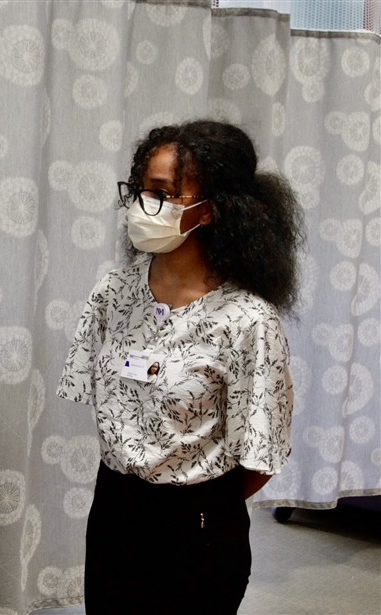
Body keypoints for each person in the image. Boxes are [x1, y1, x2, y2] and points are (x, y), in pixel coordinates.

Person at [56, 120, 303, 615]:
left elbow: (260, 457)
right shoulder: (113, 295)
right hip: (115, 511)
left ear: (210, 210)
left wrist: (194, 498)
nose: (143, 206)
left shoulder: (247, 320)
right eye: (142, 190)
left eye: (163, 194)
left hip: (200, 525)